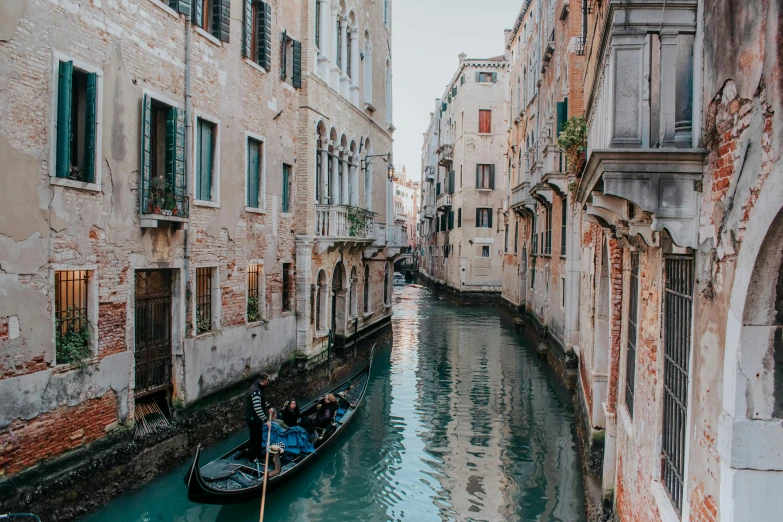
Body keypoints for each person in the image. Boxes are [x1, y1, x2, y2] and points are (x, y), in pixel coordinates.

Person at [244, 373, 275, 462]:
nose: (267, 382)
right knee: (255, 438)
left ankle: (257, 455)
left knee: (257, 437)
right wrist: (266, 421)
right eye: (267, 380)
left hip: (254, 419)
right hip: (254, 419)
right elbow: (257, 408)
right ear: (264, 381)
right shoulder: (256, 391)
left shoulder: (256, 387)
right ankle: (253, 458)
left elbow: (261, 401)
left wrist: (269, 407)